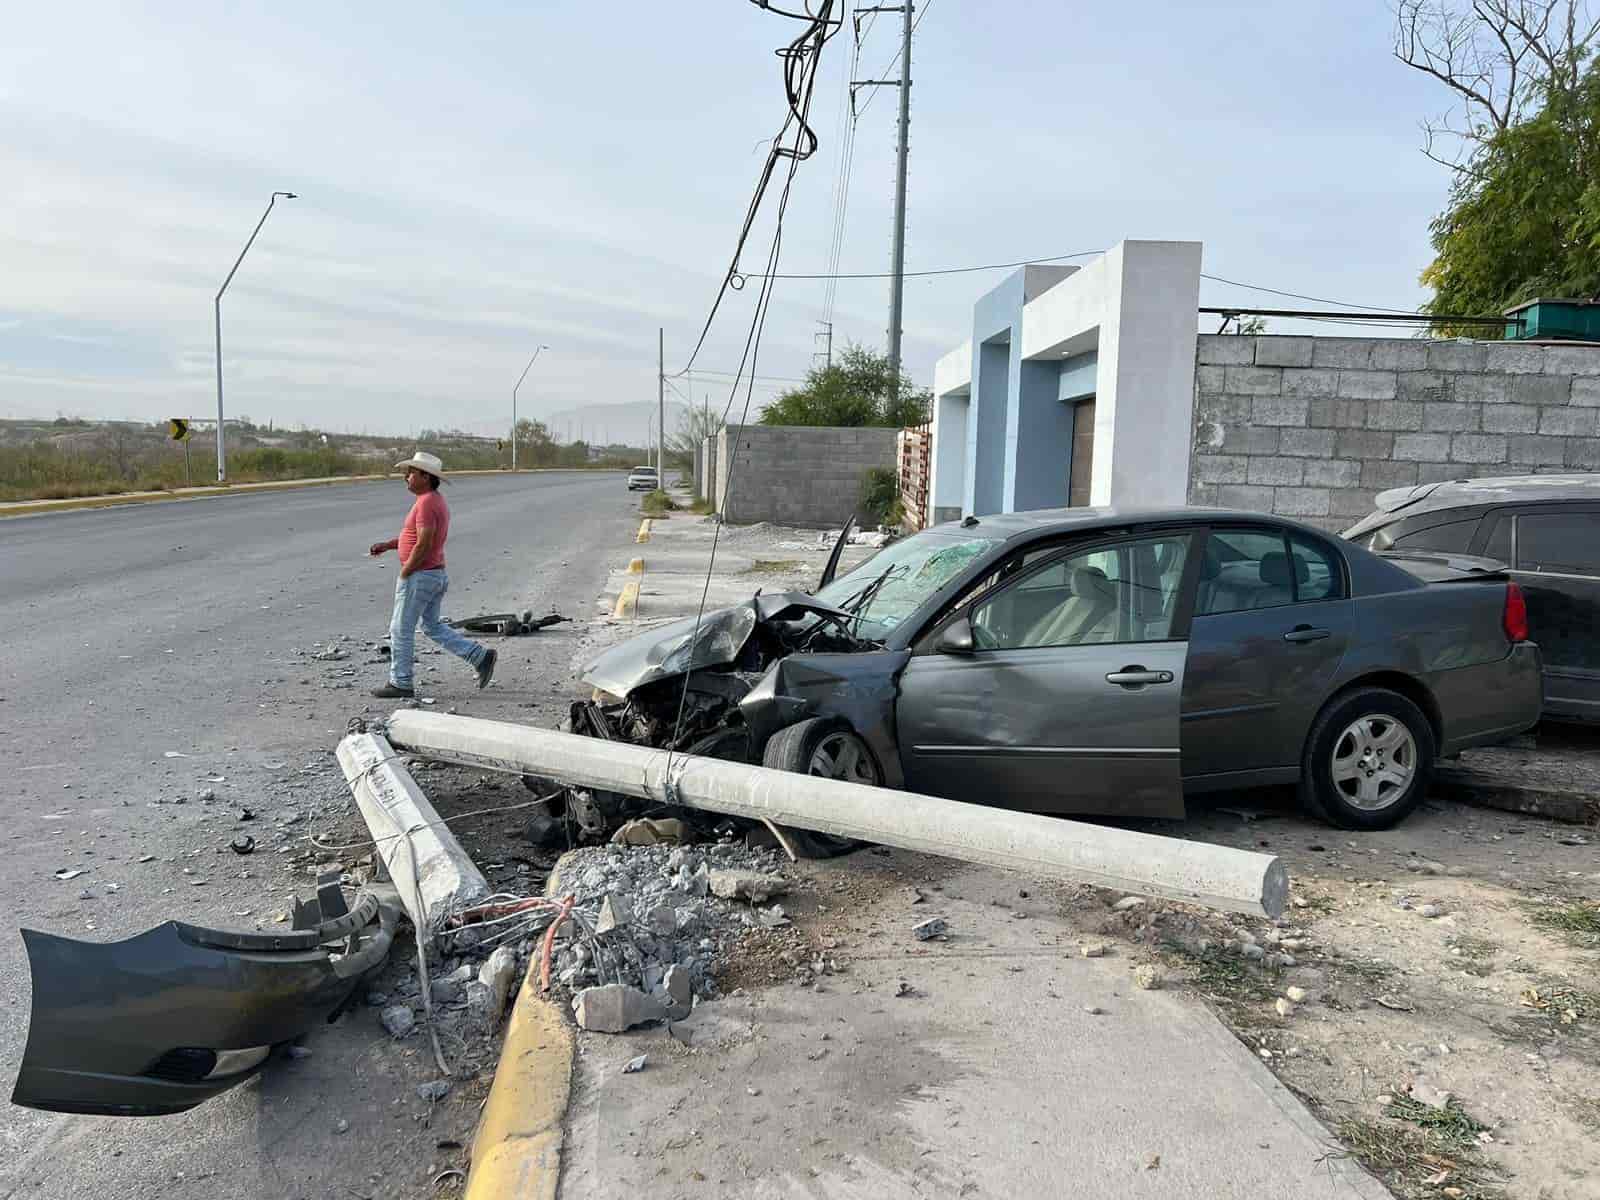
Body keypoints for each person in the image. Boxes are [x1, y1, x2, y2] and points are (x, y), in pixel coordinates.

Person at [368, 451, 496, 699]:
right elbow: (413, 537)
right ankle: (479, 656)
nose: (406, 477)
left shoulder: (427, 502)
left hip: (421, 575)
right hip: (434, 574)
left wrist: (406, 572)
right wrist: (387, 545)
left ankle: (401, 682)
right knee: (431, 626)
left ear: (425, 477)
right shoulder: (432, 500)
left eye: (411, 473)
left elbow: (424, 542)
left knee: (400, 629)